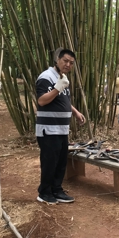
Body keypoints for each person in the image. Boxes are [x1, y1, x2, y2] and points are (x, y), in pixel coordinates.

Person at [35, 49, 85, 204]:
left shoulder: (62, 78)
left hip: (61, 129)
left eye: (71, 63)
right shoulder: (46, 77)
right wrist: (57, 88)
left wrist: (75, 112)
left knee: (61, 162)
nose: (68, 64)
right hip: (48, 129)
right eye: (65, 61)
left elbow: (64, 101)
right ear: (57, 59)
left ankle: (57, 189)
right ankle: (44, 192)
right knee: (50, 162)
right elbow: (42, 101)